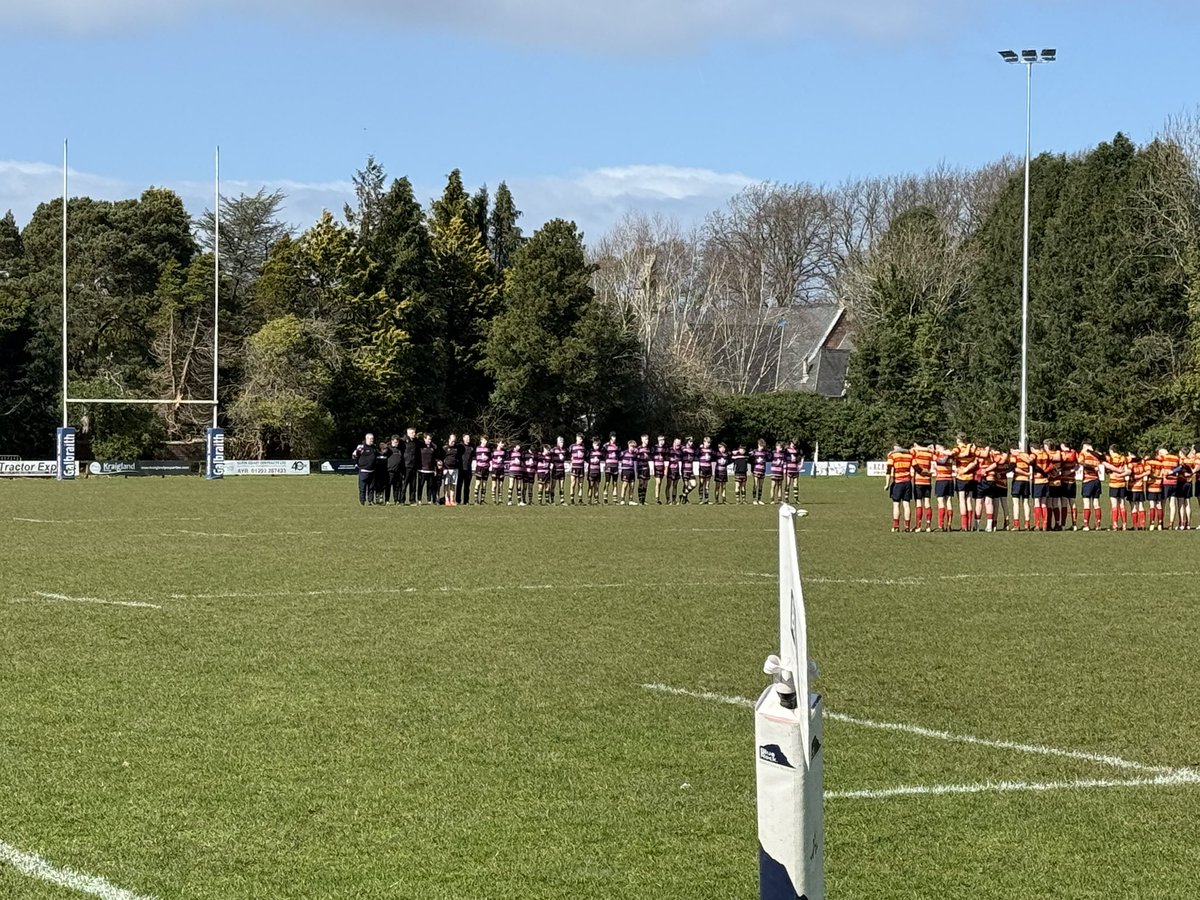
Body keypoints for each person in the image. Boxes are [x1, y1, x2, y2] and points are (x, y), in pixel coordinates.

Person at [885, 441, 914, 532]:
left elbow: (888, 470)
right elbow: (916, 467)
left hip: (898, 483)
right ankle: (907, 527)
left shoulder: (893, 456)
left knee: (896, 504)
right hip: (907, 483)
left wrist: (887, 484)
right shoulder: (909, 456)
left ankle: (896, 526)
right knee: (906, 505)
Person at [1078, 443, 1104, 531]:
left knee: (1086, 503)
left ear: (1085, 446)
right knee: (1096, 503)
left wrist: (1092, 468)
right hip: (1097, 480)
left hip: (1087, 480)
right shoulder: (1097, 455)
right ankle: (1098, 525)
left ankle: (1086, 525)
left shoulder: (1084, 453)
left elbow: (1081, 462)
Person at [910, 442, 934, 533]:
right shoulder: (929, 453)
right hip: (927, 481)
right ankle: (928, 526)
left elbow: (911, 452)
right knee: (927, 503)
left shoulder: (915, 452)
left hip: (918, 481)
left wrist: (917, 447)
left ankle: (918, 526)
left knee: (919, 503)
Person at [1105, 445, 1129, 531]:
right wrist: (1121, 474)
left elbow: (1107, 469)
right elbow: (1126, 470)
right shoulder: (1123, 458)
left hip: (1113, 483)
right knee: (1122, 504)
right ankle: (1124, 524)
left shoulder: (1109, 458)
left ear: (1111, 450)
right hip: (1122, 483)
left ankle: (1115, 524)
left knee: (1114, 505)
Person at [352, 433, 379, 506]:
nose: (372, 440)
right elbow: (354, 455)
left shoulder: (374, 448)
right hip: (363, 471)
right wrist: (357, 464)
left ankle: (370, 501)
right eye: (370, 439)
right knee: (362, 487)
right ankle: (362, 501)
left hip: (372, 471)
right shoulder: (361, 447)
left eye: (372, 439)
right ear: (366, 439)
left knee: (371, 487)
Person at [417, 433, 439, 505]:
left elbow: (435, 459)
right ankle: (419, 499)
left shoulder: (433, 447)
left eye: (430, 439)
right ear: (424, 439)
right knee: (420, 485)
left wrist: (435, 469)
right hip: (422, 469)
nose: (429, 440)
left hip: (430, 470)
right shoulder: (420, 446)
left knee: (430, 486)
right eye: (428, 439)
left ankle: (429, 499)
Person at [442, 434, 461, 506]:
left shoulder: (457, 448)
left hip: (455, 469)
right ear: (449, 439)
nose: (453, 442)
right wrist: (444, 468)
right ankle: (446, 500)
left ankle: (452, 500)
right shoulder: (445, 448)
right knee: (446, 485)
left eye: (454, 441)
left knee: (453, 485)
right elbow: (441, 458)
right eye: (452, 441)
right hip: (447, 469)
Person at [402, 427, 419, 504]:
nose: (414, 434)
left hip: (414, 466)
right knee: (404, 484)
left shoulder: (416, 441)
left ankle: (412, 500)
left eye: (414, 432)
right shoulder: (403, 441)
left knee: (413, 484)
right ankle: (402, 500)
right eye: (412, 433)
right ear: (408, 433)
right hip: (406, 466)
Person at [386, 434, 405, 505]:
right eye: (395, 442)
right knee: (388, 486)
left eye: (397, 442)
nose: (396, 443)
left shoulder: (400, 450)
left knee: (397, 487)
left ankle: (396, 500)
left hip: (398, 471)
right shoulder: (388, 449)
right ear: (391, 441)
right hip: (390, 471)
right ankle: (387, 500)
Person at [472, 437, 491, 505]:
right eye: (484, 440)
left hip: (486, 468)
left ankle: (482, 500)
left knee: (484, 484)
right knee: (478, 483)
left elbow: (489, 458)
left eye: (486, 440)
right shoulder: (477, 448)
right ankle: (475, 500)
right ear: (481, 440)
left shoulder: (488, 449)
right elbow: (474, 457)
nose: (485, 442)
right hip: (479, 468)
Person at [569, 433, 586, 505]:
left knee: (581, 484)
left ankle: (580, 500)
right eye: (580, 439)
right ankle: (572, 500)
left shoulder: (583, 447)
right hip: (574, 467)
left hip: (581, 468)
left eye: (582, 439)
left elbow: (585, 456)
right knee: (573, 483)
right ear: (576, 438)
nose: (581, 440)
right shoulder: (572, 446)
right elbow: (568, 455)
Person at [750, 439, 769, 506]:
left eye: (763, 446)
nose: (762, 447)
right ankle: (754, 500)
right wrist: (752, 470)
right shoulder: (754, 452)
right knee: (755, 485)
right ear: (758, 445)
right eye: (761, 446)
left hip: (762, 471)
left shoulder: (765, 452)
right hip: (756, 470)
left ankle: (759, 499)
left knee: (761, 486)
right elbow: (751, 460)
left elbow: (768, 458)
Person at [603, 433, 621, 503]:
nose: (614, 438)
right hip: (608, 466)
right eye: (613, 437)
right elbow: (603, 454)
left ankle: (615, 499)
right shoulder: (606, 445)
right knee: (607, 482)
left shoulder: (618, 445)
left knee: (615, 483)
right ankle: (605, 497)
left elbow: (619, 455)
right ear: (610, 437)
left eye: (615, 437)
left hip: (615, 466)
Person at [697, 437, 714, 504]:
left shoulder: (711, 450)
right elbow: (696, 453)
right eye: (707, 442)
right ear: (704, 442)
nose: (708, 444)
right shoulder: (700, 450)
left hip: (709, 468)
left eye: (709, 443)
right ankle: (700, 499)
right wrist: (699, 448)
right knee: (701, 484)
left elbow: (714, 456)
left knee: (707, 485)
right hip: (702, 468)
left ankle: (706, 499)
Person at [458, 434, 474, 506]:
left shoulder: (472, 447)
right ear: (463, 438)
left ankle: (466, 501)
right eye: (467, 438)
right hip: (460, 469)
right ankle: (458, 500)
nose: (468, 439)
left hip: (468, 470)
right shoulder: (459, 446)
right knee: (459, 486)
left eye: (469, 438)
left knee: (467, 486)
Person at [651, 435, 668, 505]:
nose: (662, 441)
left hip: (662, 467)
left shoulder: (665, 448)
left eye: (663, 440)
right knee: (658, 482)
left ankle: (658, 498)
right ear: (658, 440)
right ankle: (656, 499)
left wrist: (665, 468)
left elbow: (666, 459)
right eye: (661, 440)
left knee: (660, 483)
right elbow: (651, 458)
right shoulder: (654, 448)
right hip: (656, 467)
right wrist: (652, 468)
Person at [490, 440, 507, 504]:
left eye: (503, 443)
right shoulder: (493, 451)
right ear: (497, 443)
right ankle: (493, 500)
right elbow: (490, 458)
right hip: (494, 469)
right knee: (494, 485)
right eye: (501, 443)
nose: (503, 444)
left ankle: (500, 500)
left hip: (501, 469)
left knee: (500, 485)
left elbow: (505, 459)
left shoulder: (504, 452)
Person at [587, 437, 603, 504]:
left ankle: (596, 500)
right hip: (591, 472)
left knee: (596, 486)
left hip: (598, 472)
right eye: (596, 445)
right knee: (590, 486)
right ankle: (589, 500)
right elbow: (586, 459)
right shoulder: (590, 452)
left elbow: (603, 457)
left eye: (598, 445)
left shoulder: (600, 452)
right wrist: (592, 460)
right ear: (593, 444)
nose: (597, 446)